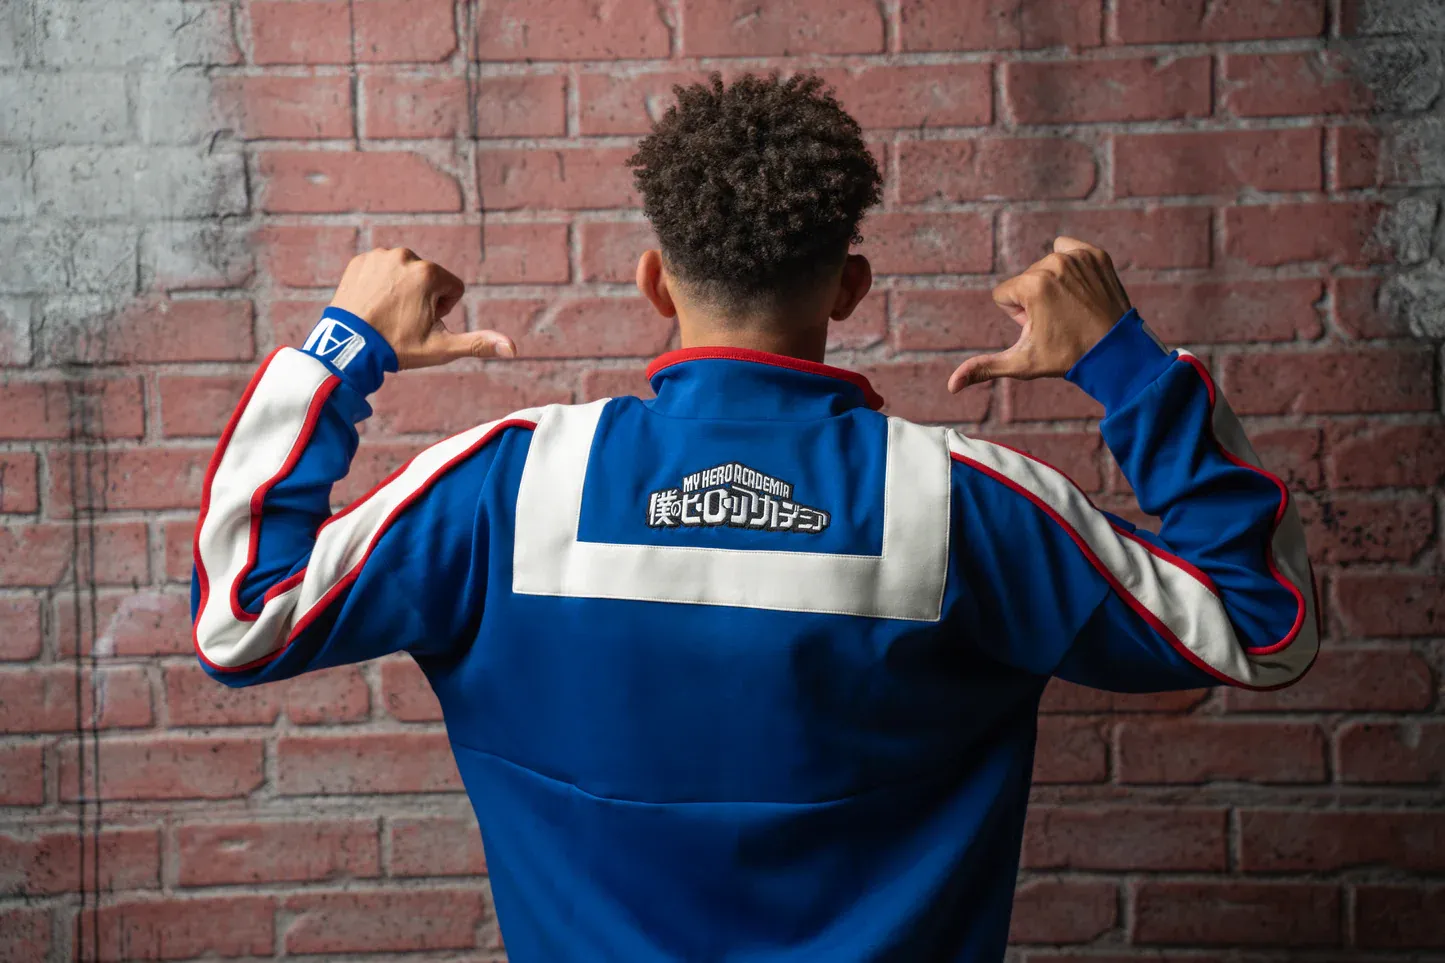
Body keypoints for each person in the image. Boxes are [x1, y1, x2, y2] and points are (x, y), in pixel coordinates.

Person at [192, 74, 1318, 961]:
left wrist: (342, 348)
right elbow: (1260, 625)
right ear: (849, 288)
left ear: (653, 280)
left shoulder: (503, 485)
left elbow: (242, 621)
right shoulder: (966, 501)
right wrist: (1124, 364)